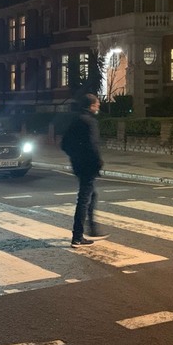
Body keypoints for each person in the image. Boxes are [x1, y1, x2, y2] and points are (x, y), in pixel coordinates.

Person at [60, 93, 108, 247]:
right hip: (88, 166)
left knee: (91, 195)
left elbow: (64, 144)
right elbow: (93, 145)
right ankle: (77, 236)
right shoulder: (90, 122)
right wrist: (98, 162)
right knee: (84, 199)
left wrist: (75, 156)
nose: (99, 106)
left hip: (78, 165)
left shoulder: (75, 120)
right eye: (97, 104)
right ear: (92, 105)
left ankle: (92, 228)